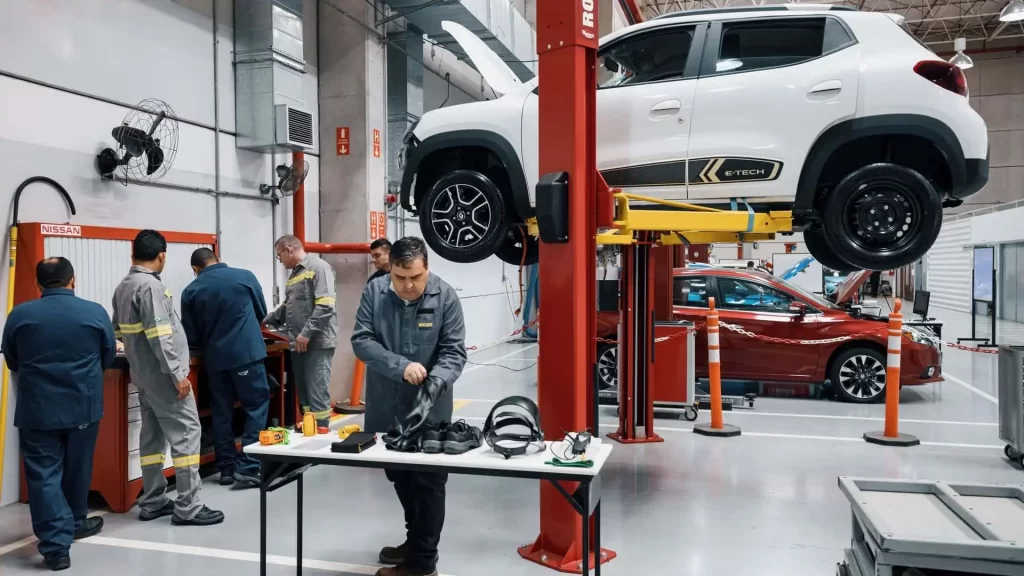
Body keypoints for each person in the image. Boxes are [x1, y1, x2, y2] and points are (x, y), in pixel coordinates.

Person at [352, 236, 467, 576]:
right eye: (400, 277)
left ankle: (422, 563)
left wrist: (434, 383)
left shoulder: (445, 296)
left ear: (426, 268)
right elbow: (361, 340)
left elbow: (454, 351)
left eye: (415, 277)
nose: (407, 285)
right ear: (391, 270)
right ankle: (415, 540)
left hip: (430, 411)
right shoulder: (376, 292)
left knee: (428, 483)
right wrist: (399, 365)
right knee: (399, 476)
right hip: (386, 406)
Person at [1, 257, 115, 571]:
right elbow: (107, 356)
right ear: (73, 280)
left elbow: (12, 360)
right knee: (78, 468)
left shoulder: (20, 315)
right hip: (83, 406)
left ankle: (55, 546)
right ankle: (75, 521)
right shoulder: (94, 312)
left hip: (37, 410)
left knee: (43, 476)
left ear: (38, 284)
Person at [112, 230, 224, 526]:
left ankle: (152, 500)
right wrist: (177, 374)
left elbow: (119, 333)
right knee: (187, 434)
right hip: (164, 378)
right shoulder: (149, 287)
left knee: (152, 437)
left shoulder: (123, 287)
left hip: (144, 377)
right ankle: (189, 506)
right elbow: (161, 336)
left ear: (133, 254)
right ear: (161, 256)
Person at [180, 248, 269, 488]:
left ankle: (227, 469)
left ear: (195, 269)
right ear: (217, 260)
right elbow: (262, 312)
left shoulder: (191, 290)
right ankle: (250, 466)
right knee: (256, 406)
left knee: (221, 412)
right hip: (247, 355)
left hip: (215, 360)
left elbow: (191, 335)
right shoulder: (245, 277)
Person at [264, 235, 337, 431]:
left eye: (279, 256)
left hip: (316, 342)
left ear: (288, 249)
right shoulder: (295, 275)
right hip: (298, 343)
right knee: (303, 393)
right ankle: (309, 428)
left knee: (317, 391)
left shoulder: (319, 268)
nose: (280, 261)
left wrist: (306, 333)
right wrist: (265, 319)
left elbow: (325, 305)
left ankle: (321, 431)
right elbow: (288, 307)